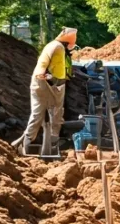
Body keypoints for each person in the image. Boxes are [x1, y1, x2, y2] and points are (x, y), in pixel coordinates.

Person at [15, 26, 77, 154]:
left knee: (37, 115)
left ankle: (25, 143)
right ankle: (52, 145)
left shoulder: (53, 45)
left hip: (41, 83)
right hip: (48, 85)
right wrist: (50, 78)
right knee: (55, 115)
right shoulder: (58, 48)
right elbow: (49, 67)